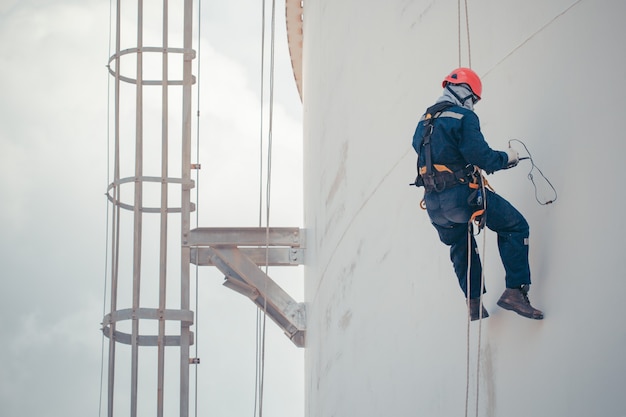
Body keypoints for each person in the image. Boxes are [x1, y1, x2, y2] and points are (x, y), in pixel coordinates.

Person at [411, 67, 543, 321]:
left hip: (435, 206)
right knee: (515, 226)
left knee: (461, 245)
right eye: (474, 101)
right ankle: (515, 292)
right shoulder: (463, 117)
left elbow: (422, 151)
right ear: (468, 94)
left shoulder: (424, 120)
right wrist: (507, 158)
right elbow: (481, 156)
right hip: (462, 197)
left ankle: (473, 304)